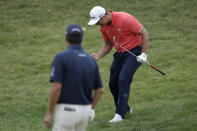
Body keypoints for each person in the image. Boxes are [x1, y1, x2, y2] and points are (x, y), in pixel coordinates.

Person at [88, 6, 149, 122]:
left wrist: (144, 54)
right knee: (113, 84)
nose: (97, 24)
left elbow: (144, 33)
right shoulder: (104, 26)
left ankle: (119, 115)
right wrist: (97, 56)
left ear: (104, 16)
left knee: (123, 79)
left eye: (98, 21)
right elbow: (108, 44)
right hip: (121, 53)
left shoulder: (125, 19)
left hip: (134, 51)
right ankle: (125, 109)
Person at [44, 24, 103, 131]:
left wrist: (49, 113)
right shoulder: (91, 60)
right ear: (82, 39)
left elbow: (56, 87)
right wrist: (91, 109)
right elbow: (99, 90)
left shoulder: (60, 57)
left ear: (66, 38)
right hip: (85, 112)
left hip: (66, 111)